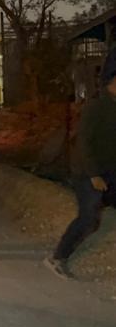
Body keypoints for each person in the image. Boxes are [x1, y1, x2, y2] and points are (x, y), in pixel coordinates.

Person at [45, 61, 116, 280]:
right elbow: (84, 143)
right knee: (88, 217)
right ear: (110, 84)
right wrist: (94, 175)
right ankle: (57, 257)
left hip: (110, 169)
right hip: (87, 172)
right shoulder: (96, 107)